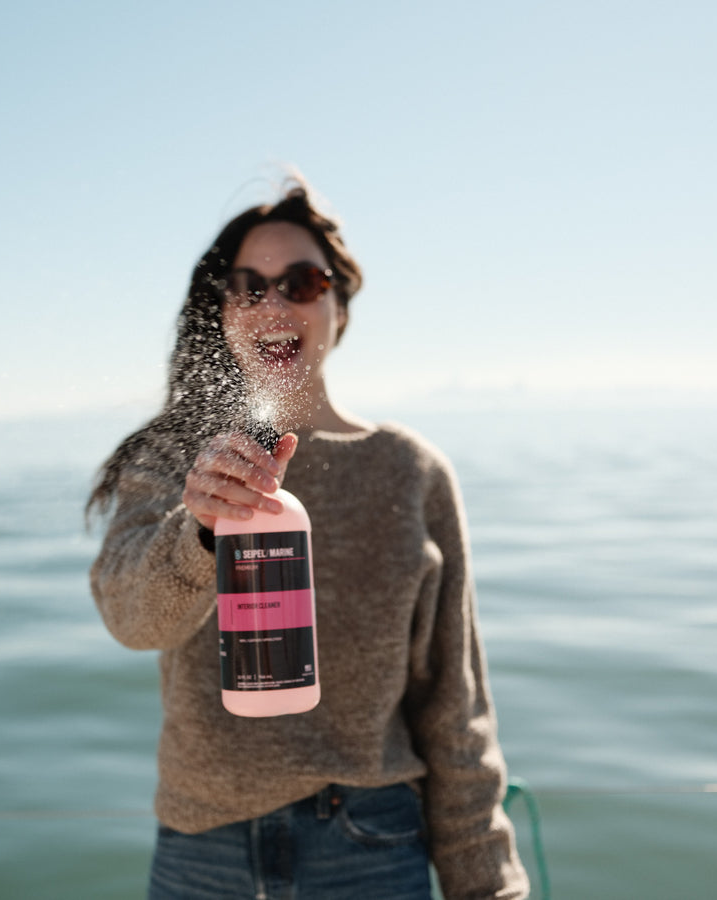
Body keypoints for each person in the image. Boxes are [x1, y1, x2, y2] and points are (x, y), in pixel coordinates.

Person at [87, 177, 529, 900]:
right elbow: (132, 620)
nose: (273, 305)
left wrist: (489, 886)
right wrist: (201, 530)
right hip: (203, 851)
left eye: (301, 283)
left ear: (338, 306)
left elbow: (455, 706)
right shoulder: (178, 458)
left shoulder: (408, 471)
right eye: (248, 287)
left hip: (371, 845)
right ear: (222, 309)